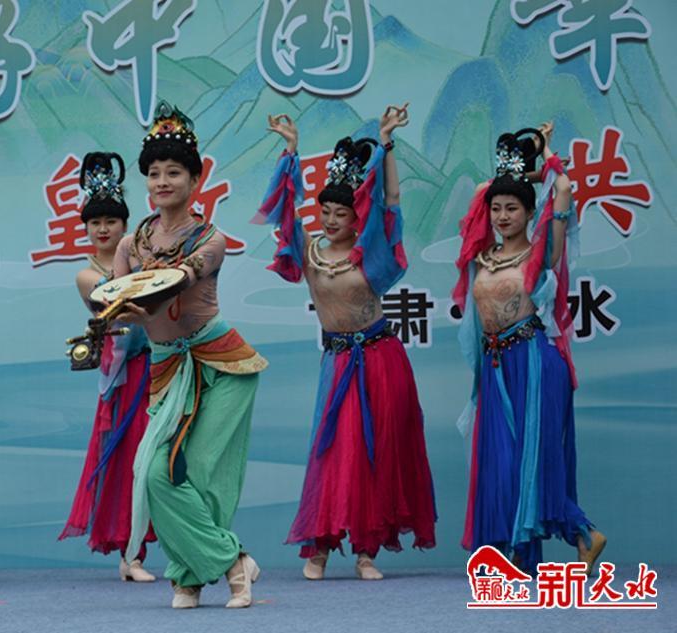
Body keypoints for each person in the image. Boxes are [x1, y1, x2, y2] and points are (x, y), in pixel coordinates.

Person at [254, 106, 436, 580]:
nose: (332, 220)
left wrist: (387, 143)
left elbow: (391, 201)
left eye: (343, 213)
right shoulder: (308, 249)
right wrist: (290, 151)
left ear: (359, 218)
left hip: (380, 359)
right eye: (327, 212)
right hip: (337, 362)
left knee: (376, 453)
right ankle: (319, 548)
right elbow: (284, 206)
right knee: (335, 451)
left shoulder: (370, 252)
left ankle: (366, 551)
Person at [114, 101, 268, 609]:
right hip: (167, 369)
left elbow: (182, 276)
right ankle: (232, 561)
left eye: (173, 172)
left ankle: (188, 577)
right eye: (154, 173)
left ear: (195, 179)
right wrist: (112, 313)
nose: (162, 181)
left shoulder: (210, 239)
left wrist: (140, 298)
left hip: (222, 364)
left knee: (198, 471)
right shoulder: (131, 244)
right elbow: (119, 307)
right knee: (153, 473)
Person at [453, 123, 606, 573]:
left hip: (535, 362)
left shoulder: (542, 253)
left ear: (529, 211)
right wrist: (517, 172)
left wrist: (546, 156)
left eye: (512, 208)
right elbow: (481, 191)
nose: (502, 216)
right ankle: (519, 552)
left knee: (531, 461)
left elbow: (564, 189)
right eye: (497, 208)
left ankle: (582, 532)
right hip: (495, 364)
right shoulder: (483, 254)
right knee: (500, 463)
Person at [60, 152, 156, 582]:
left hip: (157, 366)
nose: (103, 229)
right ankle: (129, 554)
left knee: (160, 460)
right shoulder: (86, 276)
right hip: (123, 376)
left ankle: (171, 546)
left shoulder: (143, 261)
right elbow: (118, 298)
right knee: (125, 461)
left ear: (124, 225)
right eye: (95, 222)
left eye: (111, 221)